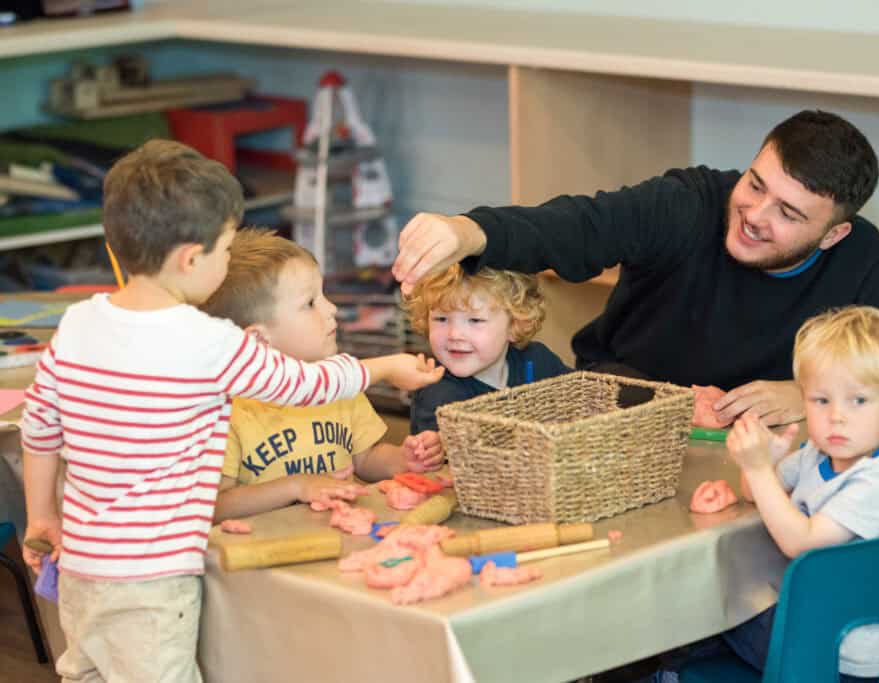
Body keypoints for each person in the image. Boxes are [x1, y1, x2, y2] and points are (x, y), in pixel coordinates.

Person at [19, 140, 442, 682]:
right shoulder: (208, 341)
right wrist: (386, 368)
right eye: (223, 250)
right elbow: (304, 385)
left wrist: (42, 517)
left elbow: (39, 429)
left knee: (90, 674)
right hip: (152, 579)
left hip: (81, 567)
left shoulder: (78, 324)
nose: (225, 262)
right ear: (190, 258)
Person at [391, 109, 879, 432]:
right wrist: (469, 231)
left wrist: (812, 396)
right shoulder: (690, 202)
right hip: (627, 401)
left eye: (788, 214)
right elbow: (579, 225)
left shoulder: (869, 268)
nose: (754, 216)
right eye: (755, 184)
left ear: (833, 233)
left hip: (765, 445)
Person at [670, 305, 879, 682]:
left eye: (859, 401)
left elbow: (800, 543)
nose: (837, 416)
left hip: (840, 653)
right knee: (713, 605)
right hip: (817, 620)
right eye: (821, 400)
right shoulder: (820, 453)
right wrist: (761, 467)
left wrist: (759, 470)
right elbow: (756, 495)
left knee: (708, 599)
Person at [201, 228, 446, 522]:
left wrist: (405, 460)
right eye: (310, 303)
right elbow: (216, 506)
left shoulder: (340, 385)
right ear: (258, 340)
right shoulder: (227, 410)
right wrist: (299, 486)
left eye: (323, 296)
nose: (332, 309)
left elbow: (365, 458)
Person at [403, 264, 570, 437]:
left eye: (475, 320)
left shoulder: (537, 360)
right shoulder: (439, 396)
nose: (455, 335)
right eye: (441, 319)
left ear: (514, 325)